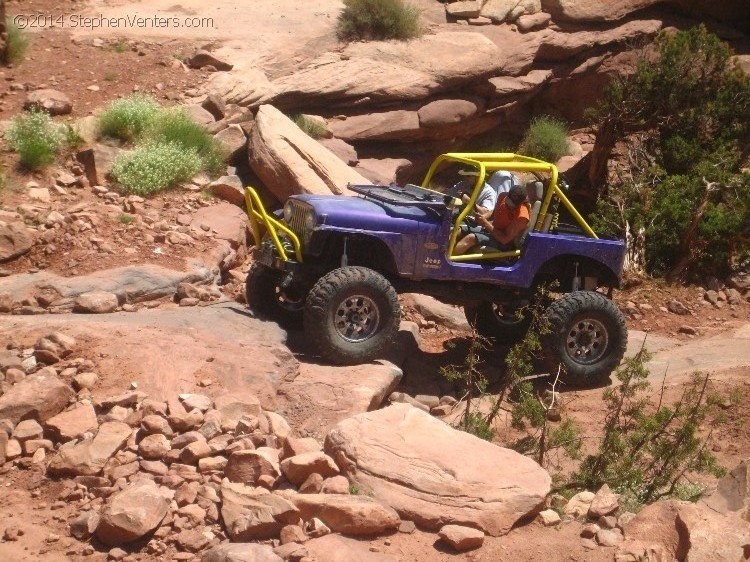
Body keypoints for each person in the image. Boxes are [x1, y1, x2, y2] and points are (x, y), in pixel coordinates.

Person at [455, 184, 530, 254]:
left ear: (520, 203)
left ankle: (448, 262)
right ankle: (444, 251)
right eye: (508, 202)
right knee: (458, 229)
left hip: (504, 244)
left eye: (512, 206)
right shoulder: (502, 196)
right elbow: (495, 212)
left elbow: (504, 239)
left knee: (470, 238)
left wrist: (485, 223)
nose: (508, 206)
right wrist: (483, 217)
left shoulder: (522, 217)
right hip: (492, 230)